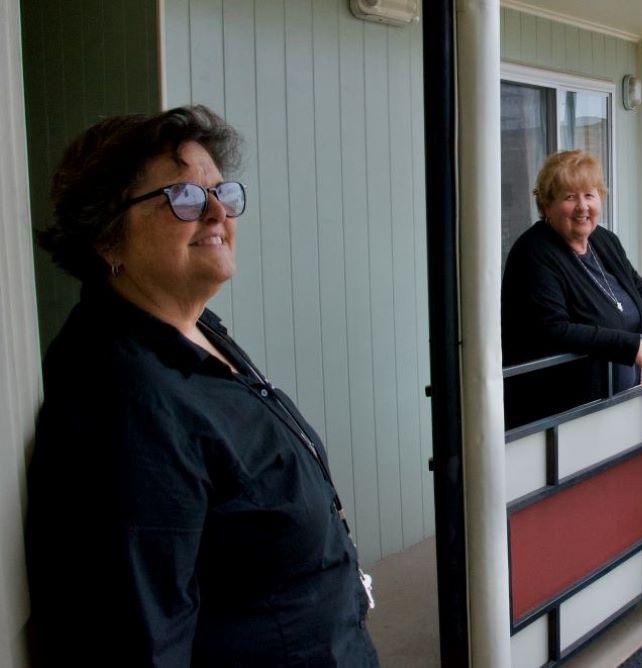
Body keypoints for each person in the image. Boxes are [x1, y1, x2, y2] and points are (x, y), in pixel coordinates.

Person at [25, 106, 379, 667]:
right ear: (106, 236)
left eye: (221, 192)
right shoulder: (125, 398)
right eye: (183, 197)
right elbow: (139, 641)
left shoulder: (196, 327)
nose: (216, 211)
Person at [502, 149, 642, 428]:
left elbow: (633, 283)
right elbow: (553, 330)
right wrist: (631, 346)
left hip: (614, 405)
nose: (582, 207)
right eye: (570, 197)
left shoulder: (602, 240)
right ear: (546, 205)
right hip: (561, 418)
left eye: (589, 195)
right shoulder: (534, 252)